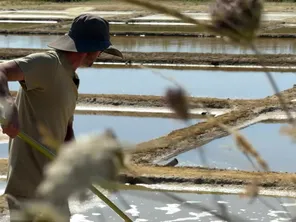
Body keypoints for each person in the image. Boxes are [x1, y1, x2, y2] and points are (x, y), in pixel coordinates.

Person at [0, 13, 123, 221]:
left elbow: (65, 129)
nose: (100, 54)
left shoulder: (71, 79)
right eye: (101, 49)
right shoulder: (49, 63)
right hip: (30, 188)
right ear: (90, 48)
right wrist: (8, 105)